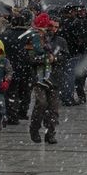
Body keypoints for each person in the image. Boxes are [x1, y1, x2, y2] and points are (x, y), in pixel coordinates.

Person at [29, 15, 68, 144]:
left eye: (57, 27)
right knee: (41, 103)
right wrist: (44, 59)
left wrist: (55, 59)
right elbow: (30, 58)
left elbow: (64, 57)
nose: (53, 29)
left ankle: (50, 133)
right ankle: (34, 128)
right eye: (51, 26)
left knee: (53, 108)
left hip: (55, 78)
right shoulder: (36, 38)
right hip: (40, 77)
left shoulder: (60, 41)